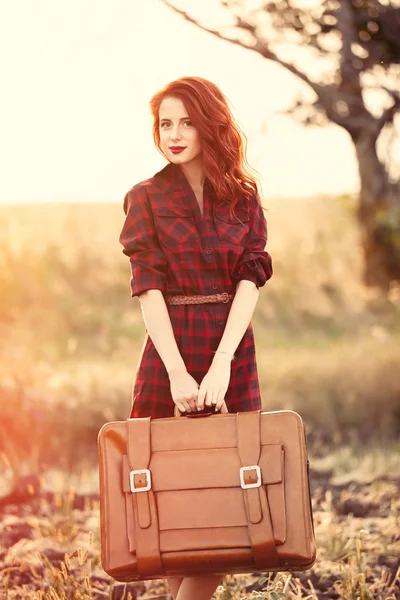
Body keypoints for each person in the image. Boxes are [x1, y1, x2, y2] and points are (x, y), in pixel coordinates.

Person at [119, 76, 273, 600]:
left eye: (187, 121)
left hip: (231, 345)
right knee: (169, 503)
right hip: (170, 348)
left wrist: (223, 362)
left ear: (210, 125)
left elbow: (251, 277)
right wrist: (179, 371)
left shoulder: (243, 197)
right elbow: (148, 287)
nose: (175, 133)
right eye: (165, 123)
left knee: (227, 509)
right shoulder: (144, 197)